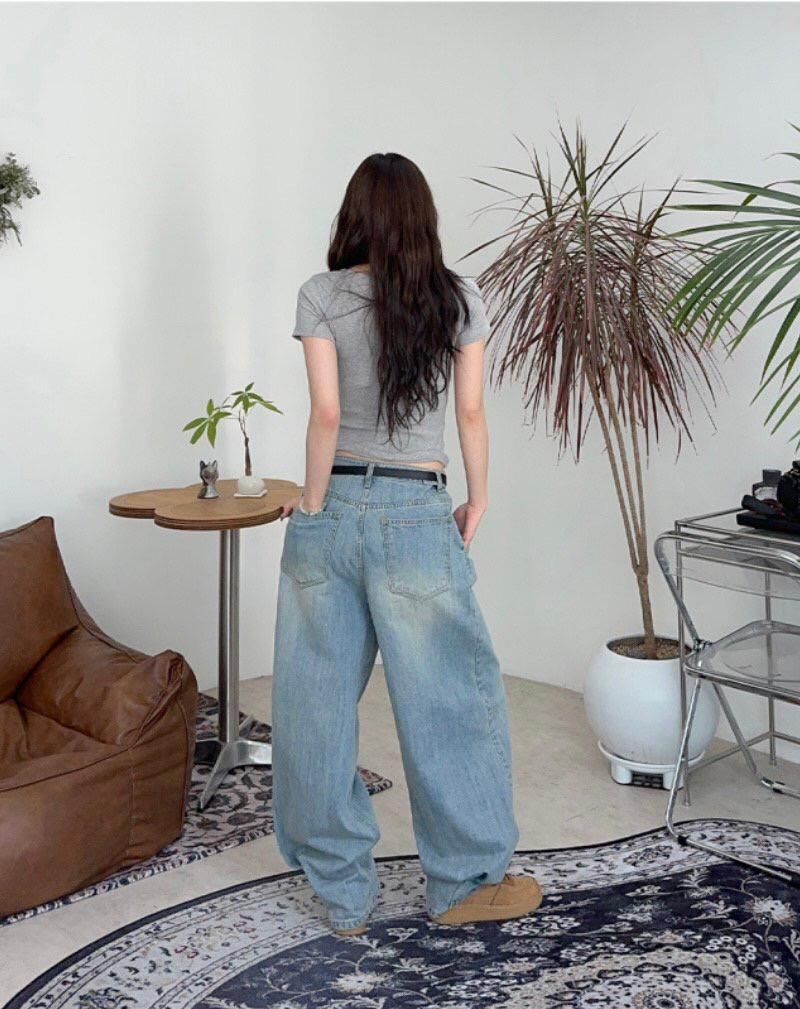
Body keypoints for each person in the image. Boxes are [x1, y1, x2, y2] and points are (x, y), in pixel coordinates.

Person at [271, 152, 542, 936]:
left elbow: (326, 414)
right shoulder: (457, 298)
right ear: (423, 218)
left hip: (334, 502)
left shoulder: (320, 294)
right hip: (418, 510)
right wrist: (477, 497)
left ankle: (343, 894)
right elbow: (471, 414)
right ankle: (463, 883)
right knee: (449, 697)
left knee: (314, 701)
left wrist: (313, 505)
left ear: (353, 215)